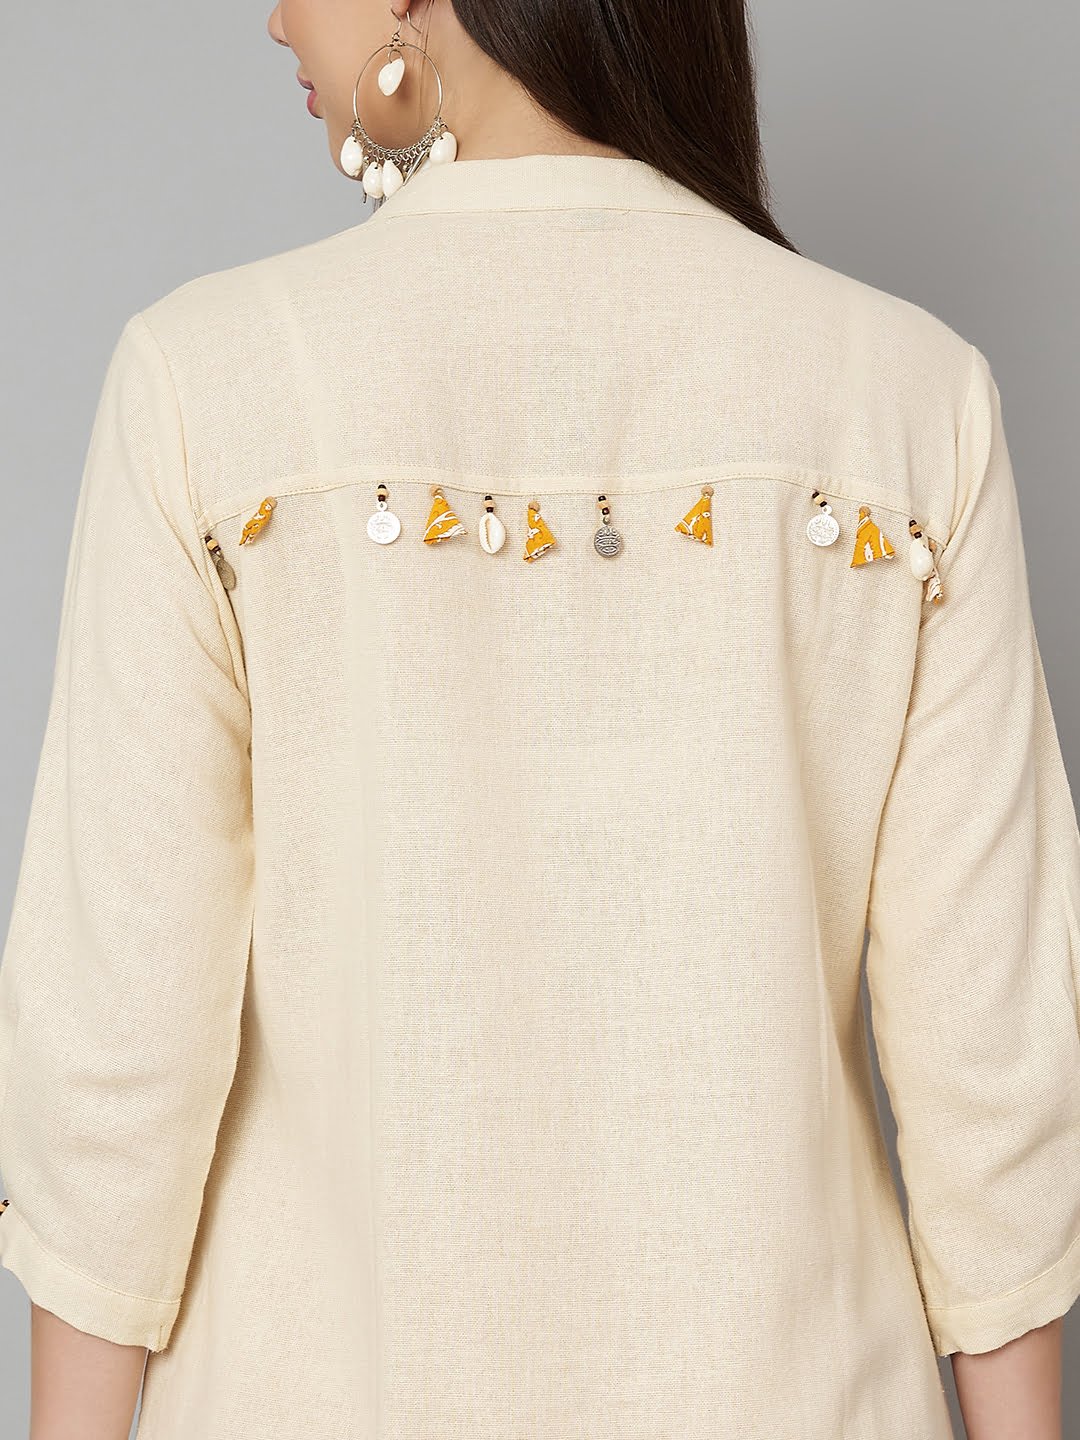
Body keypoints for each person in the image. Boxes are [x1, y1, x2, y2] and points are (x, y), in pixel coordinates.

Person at [0, 2, 1077, 1437]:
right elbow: (991, 1062)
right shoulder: (909, 398)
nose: (275, 15)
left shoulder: (209, 379)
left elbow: (116, 1047)